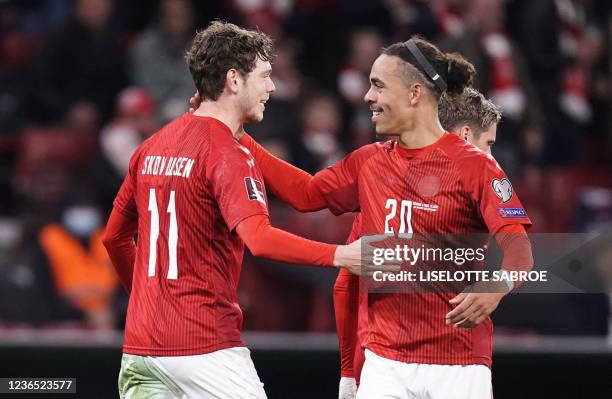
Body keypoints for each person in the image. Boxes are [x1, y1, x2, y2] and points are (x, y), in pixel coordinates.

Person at [220, 37, 533, 398]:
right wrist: (242, 138)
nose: (368, 96)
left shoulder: (475, 166)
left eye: (378, 85)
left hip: (459, 364)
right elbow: (306, 195)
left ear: (414, 94)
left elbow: (519, 248)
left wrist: (494, 287)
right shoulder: (368, 161)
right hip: (385, 364)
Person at [102, 21, 366, 399]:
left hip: (142, 349)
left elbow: (114, 238)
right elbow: (258, 239)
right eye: (265, 76)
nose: (271, 87)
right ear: (234, 80)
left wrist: (148, 304)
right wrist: (340, 254)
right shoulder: (227, 155)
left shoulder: (151, 146)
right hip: (205, 347)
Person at [334, 86, 503, 399]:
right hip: (429, 360)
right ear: (466, 135)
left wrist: (348, 371)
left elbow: (345, 284)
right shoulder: (479, 180)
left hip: (413, 361)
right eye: (489, 143)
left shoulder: (384, 188)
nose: (492, 156)